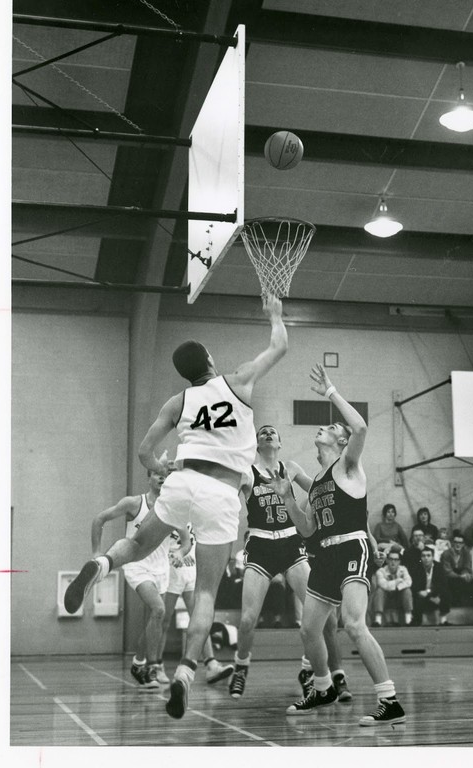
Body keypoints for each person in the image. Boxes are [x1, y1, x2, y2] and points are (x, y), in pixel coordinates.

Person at [64, 294, 288, 720]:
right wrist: (275, 315)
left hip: (182, 480)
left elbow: (146, 453)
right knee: (205, 590)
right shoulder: (238, 381)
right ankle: (186, 671)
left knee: (136, 546)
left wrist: (162, 468)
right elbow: (280, 346)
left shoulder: (177, 402)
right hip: (221, 493)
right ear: (209, 358)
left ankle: (101, 565)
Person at [269, 364, 406, 725]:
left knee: (355, 624)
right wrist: (286, 499)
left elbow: (360, 426)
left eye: (331, 427)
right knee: (309, 628)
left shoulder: (349, 465)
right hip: (326, 553)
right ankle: (324, 686)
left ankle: (389, 700)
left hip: (352, 548)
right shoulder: (315, 483)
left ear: (341, 441)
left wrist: (331, 390)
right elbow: (307, 529)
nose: (324, 428)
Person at [230, 424, 351, 703]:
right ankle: (241, 666)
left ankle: (310, 671)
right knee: (248, 619)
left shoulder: (291, 468)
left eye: (273, 432)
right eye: (263, 433)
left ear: (280, 444)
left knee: (322, 615)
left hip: (291, 544)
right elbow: (226, 491)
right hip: (260, 545)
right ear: (257, 444)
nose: (268, 434)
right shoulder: (247, 473)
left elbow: (321, 490)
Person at [89, 466, 191, 690]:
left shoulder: (172, 509)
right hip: (137, 566)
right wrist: (96, 553)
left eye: (167, 476)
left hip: (161, 568)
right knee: (159, 610)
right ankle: (151, 668)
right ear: (149, 478)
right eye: (158, 474)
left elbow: (186, 540)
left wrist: (180, 553)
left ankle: (138, 663)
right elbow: (99, 519)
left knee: (156, 620)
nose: (163, 478)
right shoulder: (133, 503)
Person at [160, 524, 233, 685]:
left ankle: (211, 664)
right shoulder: (170, 509)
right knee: (163, 620)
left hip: (191, 571)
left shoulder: (197, 512)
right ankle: (156, 665)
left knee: (199, 616)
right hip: (171, 570)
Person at [410, 545, 451, 625]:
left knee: (446, 593)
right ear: (421, 558)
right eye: (423, 556)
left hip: (434, 595)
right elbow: (414, 586)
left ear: (432, 557)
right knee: (417, 597)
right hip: (421, 596)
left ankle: (443, 620)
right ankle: (417, 621)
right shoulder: (416, 568)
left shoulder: (439, 567)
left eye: (428, 555)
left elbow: (442, 584)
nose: (426, 558)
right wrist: (424, 594)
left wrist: (430, 593)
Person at [373, 549, 414, 626]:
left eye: (396, 559)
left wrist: (398, 587)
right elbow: (383, 584)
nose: (393, 562)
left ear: (399, 561)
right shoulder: (381, 571)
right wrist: (397, 581)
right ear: (387, 560)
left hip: (399, 597)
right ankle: (377, 620)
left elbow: (409, 582)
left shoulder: (403, 569)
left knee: (407, 591)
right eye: (391, 559)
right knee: (379, 591)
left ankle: (408, 620)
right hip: (386, 598)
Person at [440, 531, 473, 606]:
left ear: (463, 544)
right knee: (453, 582)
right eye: (455, 542)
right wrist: (459, 576)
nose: (458, 544)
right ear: (452, 543)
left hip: (461, 574)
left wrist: (465, 574)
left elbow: (467, 567)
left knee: (469, 580)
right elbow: (447, 571)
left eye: (460, 543)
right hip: (449, 576)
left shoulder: (466, 553)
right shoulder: (446, 553)